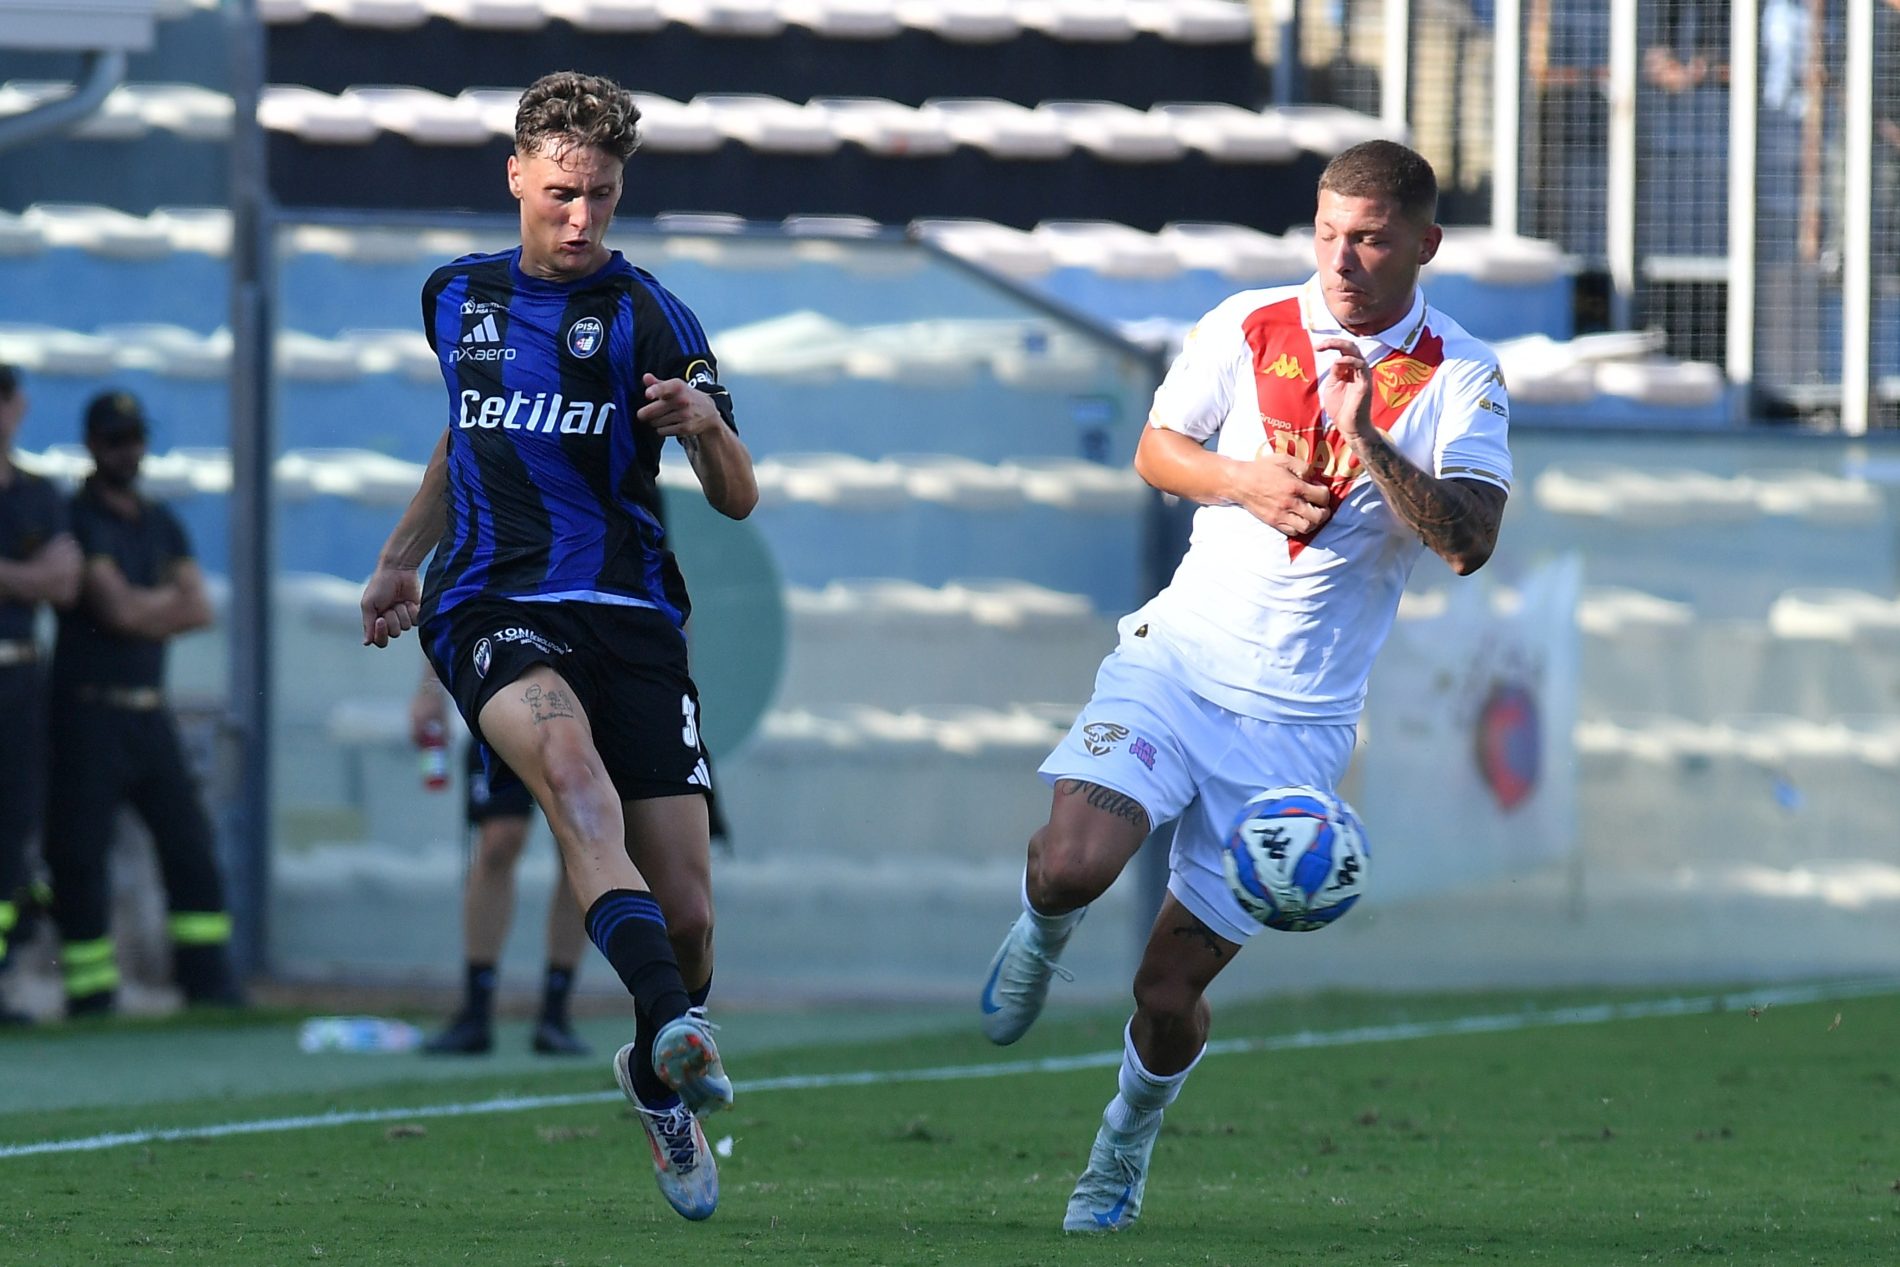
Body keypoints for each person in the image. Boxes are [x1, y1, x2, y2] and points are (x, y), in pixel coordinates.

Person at [976, 139, 1513, 1233]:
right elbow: (1157, 449)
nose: (1342, 259)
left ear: (1425, 244)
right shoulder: (1247, 323)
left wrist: (1364, 435)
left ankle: (1121, 1147)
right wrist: (1242, 482)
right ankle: (1039, 929)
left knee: (1166, 992)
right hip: (1177, 664)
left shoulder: (1461, 374)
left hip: (1295, 729)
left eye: (1369, 240)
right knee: (1071, 866)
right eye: (1327, 233)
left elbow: (1468, 539)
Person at [359, 70, 757, 1223]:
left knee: (689, 916)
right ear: (516, 177)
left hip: (629, 614)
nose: (581, 219)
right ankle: (675, 1029)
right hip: (492, 600)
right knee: (574, 784)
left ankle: (655, 1069)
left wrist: (705, 427)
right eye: (562, 193)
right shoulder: (455, 296)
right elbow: (465, 438)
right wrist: (400, 559)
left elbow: (736, 496)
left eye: (603, 197)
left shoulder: (652, 317)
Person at [43, 390, 243, 1016]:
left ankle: (207, 981)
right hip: (87, 711)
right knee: (80, 852)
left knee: (188, 844)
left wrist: (144, 607)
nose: (128, 452)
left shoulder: (160, 522)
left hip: (149, 709)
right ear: (92, 445)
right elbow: (117, 611)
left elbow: (198, 607)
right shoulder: (76, 517)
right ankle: (90, 990)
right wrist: (159, 607)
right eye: (115, 440)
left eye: (135, 439)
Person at [411, 663, 591, 1057]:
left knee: (578, 846)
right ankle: (475, 1012)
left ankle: (555, 1013)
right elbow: (443, 619)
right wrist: (429, 689)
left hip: (580, 691)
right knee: (498, 842)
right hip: (505, 687)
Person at [0, 365, 83, 1024]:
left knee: (12, 831)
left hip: (21, 679)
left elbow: (64, 584)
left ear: (19, 406)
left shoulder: (36, 492)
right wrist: (28, 575)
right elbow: (45, 576)